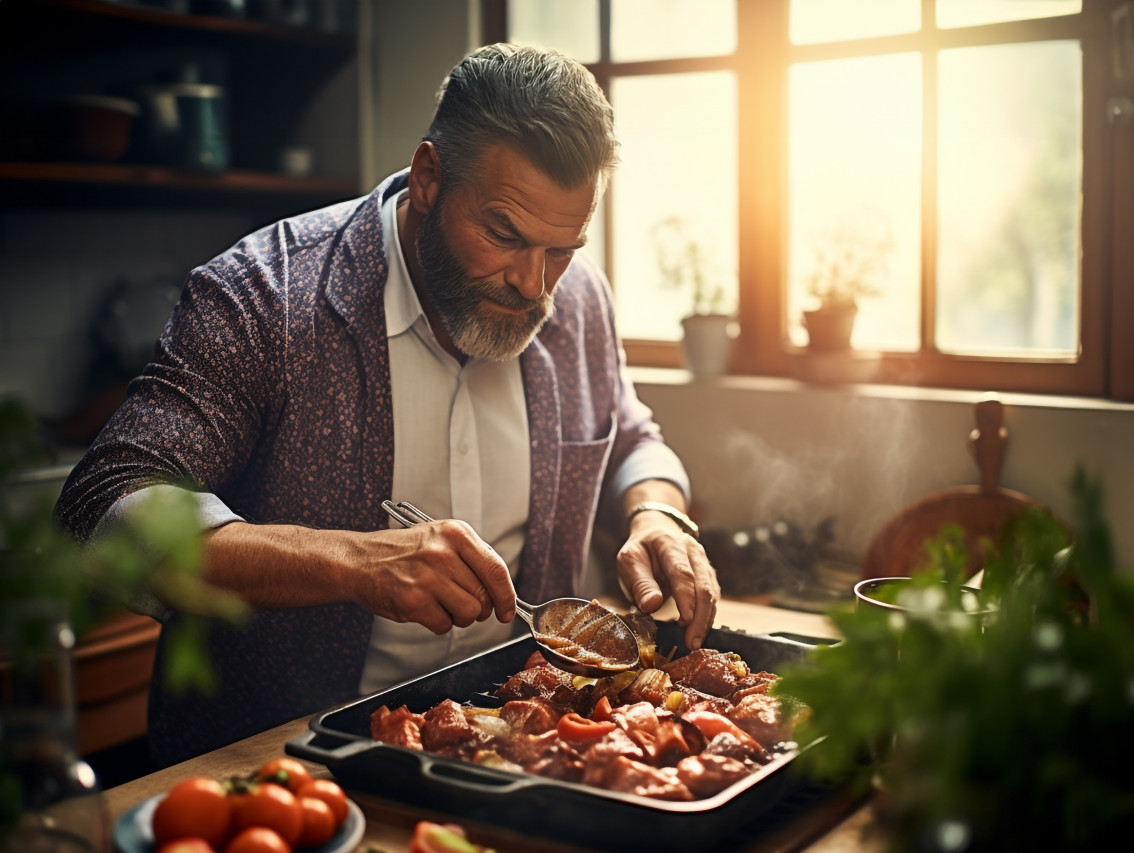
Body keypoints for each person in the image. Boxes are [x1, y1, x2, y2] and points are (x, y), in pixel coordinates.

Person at [55, 43, 719, 767]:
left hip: (511, 758)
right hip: (287, 771)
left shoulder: (578, 296)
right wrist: (349, 560)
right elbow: (104, 505)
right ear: (430, 178)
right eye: (504, 234)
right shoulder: (262, 295)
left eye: (562, 247)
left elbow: (629, 436)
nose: (535, 284)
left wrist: (656, 508)